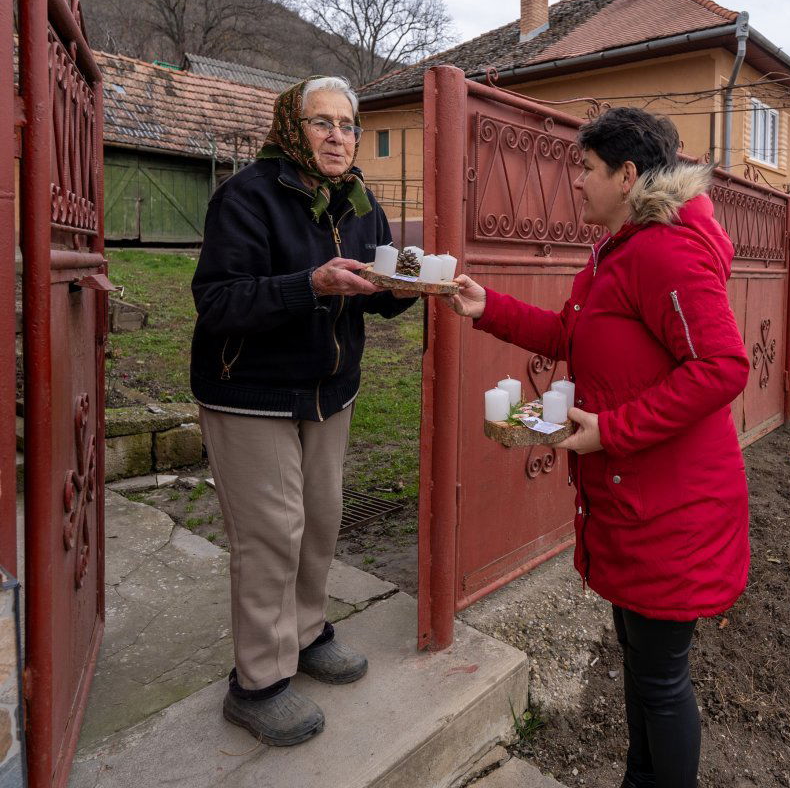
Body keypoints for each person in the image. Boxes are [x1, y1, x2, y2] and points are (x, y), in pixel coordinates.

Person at [446, 108, 750, 787]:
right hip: (637, 504)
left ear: (628, 174)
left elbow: (722, 367)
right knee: (645, 675)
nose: (575, 182)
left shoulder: (664, 252)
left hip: (674, 511)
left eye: (585, 169)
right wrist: (485, 304)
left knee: (661, 683)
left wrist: (611, 429)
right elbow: (569, 334)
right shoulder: (618, 251)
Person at [190, 76, 417, 746]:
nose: (338, 136)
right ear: (292, 127)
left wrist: (410, 286)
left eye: (347, 124)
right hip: (249, 392)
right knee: (270, 534)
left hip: (328, 391)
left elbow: (373, 291)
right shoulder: (247, 196)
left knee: (320, 520)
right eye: (322, 122)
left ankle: (309, 631)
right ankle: (257, 682)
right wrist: (307, 285)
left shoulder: (359, 200)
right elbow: (219, 301)